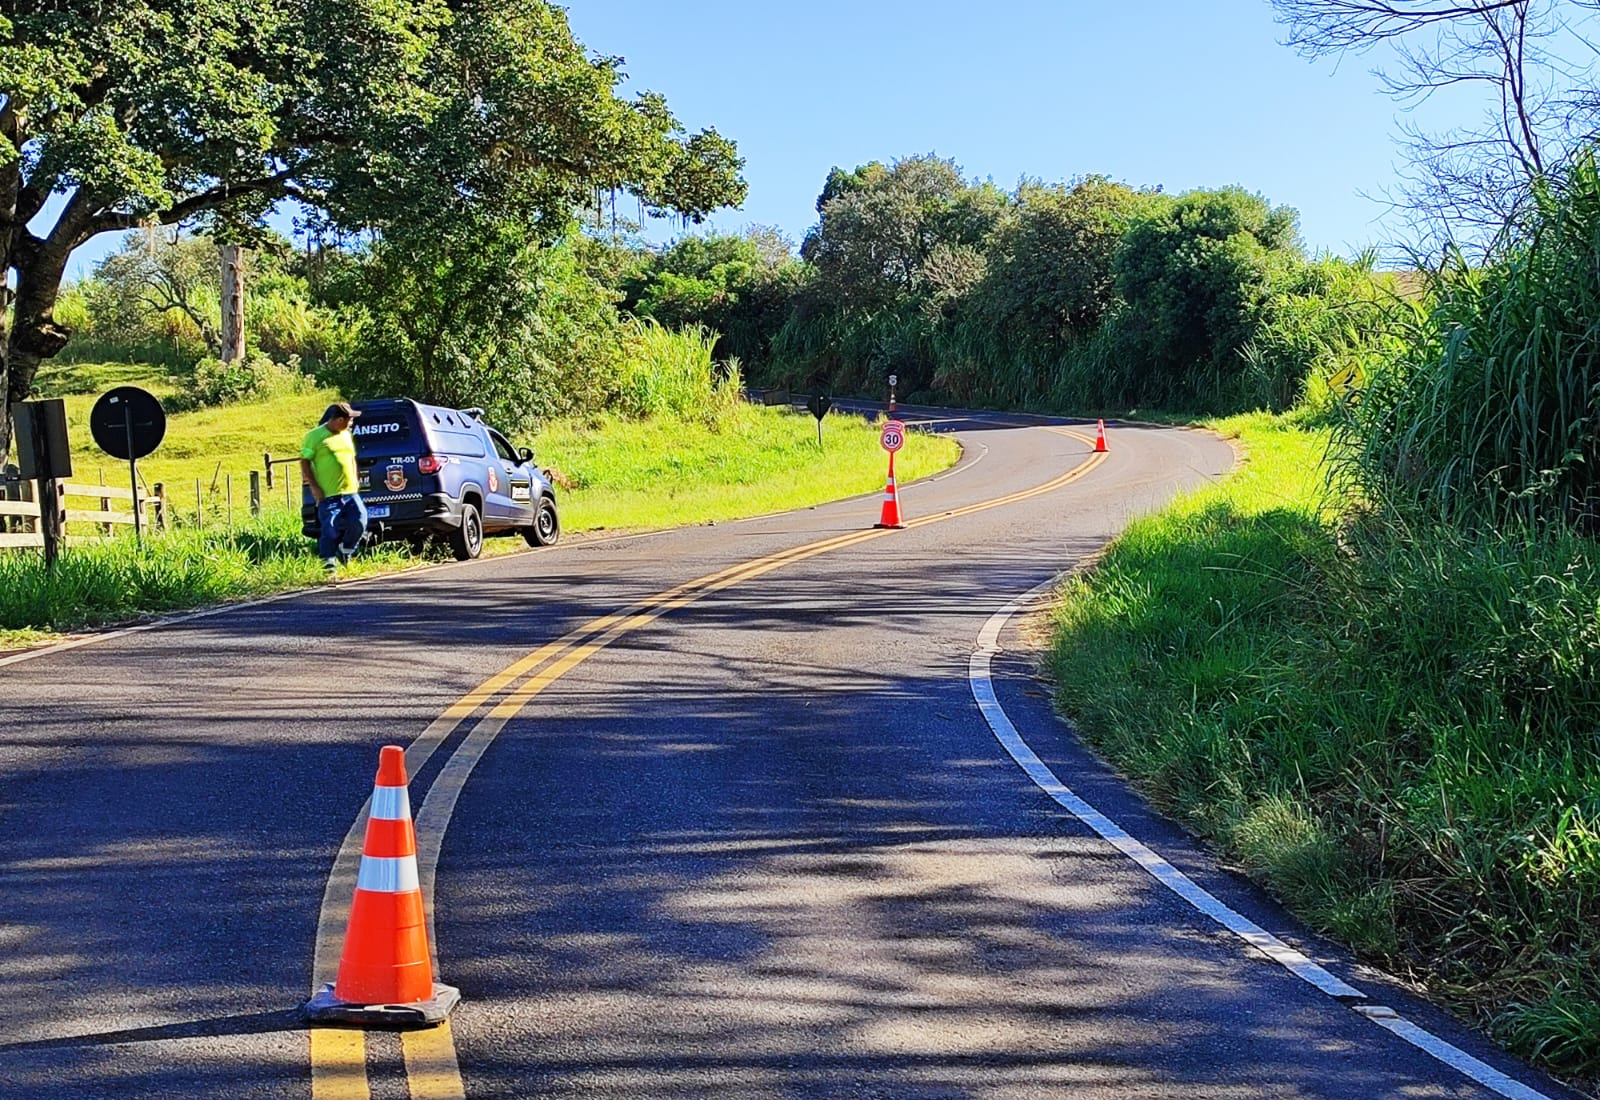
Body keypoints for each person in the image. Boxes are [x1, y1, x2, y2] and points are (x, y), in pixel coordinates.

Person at [301, 402, 367, 573]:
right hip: (329, 494)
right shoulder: (314, 436)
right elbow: (304, 462)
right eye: (349, 420)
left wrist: (355, 479)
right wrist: (314, 487)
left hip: (350, 492)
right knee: (329, 528)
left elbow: (351, 457)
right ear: (338, 420)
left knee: (360, 519)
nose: (351, 423)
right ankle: (328, 563)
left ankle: (347, 550)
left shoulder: (346, 434)